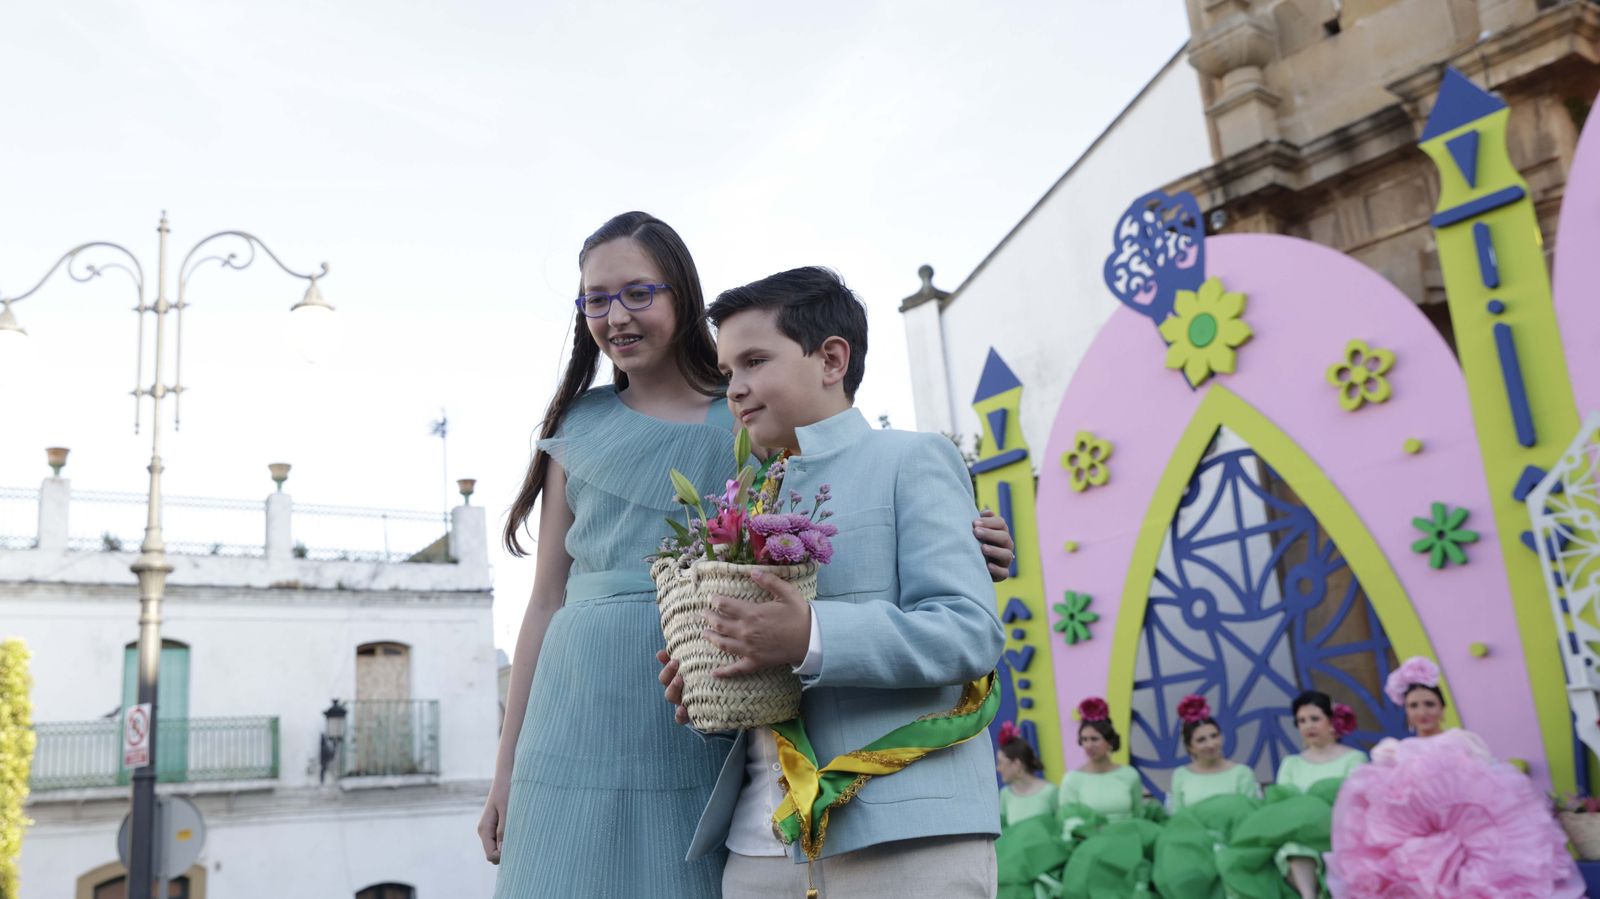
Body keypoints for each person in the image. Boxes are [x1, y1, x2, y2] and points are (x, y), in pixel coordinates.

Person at [483, 217, 1017, 896]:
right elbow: (544, 599)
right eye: (595, 298)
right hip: (590, 699)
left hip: (717, 705)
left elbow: (848, 495)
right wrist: (503, 771)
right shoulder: (579, 426)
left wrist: (974, 542)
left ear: (679, 294)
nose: (615, 314)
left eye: (638, 292)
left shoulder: (754, 431)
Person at [665, 266, 1006, 897]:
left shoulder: (912, 458)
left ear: (831, 358)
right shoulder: (740, 498)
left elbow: (969, 633)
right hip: (757, 848)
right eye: (728, 372)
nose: (735, 389)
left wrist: (810, 636)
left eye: (755, 361)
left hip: (908, 835)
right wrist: (711, 674)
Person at [1327, 656, 1583, 898]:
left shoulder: (1460, 740)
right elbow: (1385, 803)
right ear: (1405, 711)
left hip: (1473, 837)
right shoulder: (1395, 750)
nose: (1422, 712)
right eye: (1413, 705)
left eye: (1429, 704)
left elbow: (1488, 784)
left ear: (1442, 708)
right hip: (1418, 844)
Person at [1211, 690, 1366, 899]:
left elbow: (1355, 802)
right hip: (1296, 832)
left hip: (1336, 829)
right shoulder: (1291, 763)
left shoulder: (1354, 758)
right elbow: (1283, 806)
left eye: (1314, 719)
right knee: (1291, 847)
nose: (1308, 725)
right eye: (1302, 721)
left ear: (1331, 721)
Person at [1164, 694, 1259, 812]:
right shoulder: (1180, 775)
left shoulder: (1242, 773)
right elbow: (1177, 819)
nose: (1211, 744)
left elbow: (1252, 816)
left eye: (1214, 736)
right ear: (1190, 747)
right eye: (1201, 740)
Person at [997, 722, 1056, 829]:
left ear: (1016, 764)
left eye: (1001, 762)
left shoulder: (1050, 792)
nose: (998, 768)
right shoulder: (1005, 794)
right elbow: (1005, 834)